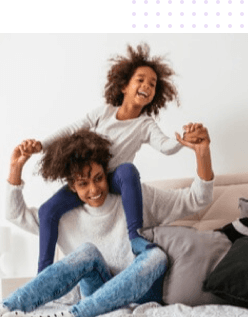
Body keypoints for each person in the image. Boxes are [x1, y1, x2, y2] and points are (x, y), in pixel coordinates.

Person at [0, 124, 213, 317]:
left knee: (156, 256)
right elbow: (15, 214)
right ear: (72, 187)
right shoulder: (65, 216)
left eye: (98, 179)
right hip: (95, 292)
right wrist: (15, 168)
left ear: (107, 174)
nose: (94, 190)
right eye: (83, 184)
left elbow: (196, 200)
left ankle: (71, 316)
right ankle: (5, 309)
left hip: (141, 293)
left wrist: (202, 153)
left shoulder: (136, 198)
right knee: (86, 251)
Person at [26, 43, 201, 274]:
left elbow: (165, 146)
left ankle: (135, 236)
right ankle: (43, 272)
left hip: (114, 180)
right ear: (124, 85)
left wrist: (181, 140)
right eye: (140, 80)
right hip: (90, 177)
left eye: (152, 84)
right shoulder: (104, 112)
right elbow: (73, 129)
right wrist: (41, 145)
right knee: (47, 210)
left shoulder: (145, 124)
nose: (147, 86)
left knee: (128, 170)